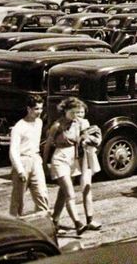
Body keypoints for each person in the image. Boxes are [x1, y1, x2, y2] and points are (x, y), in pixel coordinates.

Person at [43, 97, 101, 235]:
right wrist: (44, 164)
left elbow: (92, 137)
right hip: (60, 160)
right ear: (65, 111)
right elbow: (47, 145)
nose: (75, 116)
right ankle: (77, 223)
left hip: (72, 162)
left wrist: (91, 138)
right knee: (70, 193)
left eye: (78, 112)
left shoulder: (78, 124)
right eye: (73, 112)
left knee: (63, 194)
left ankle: (55, 220)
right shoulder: (57, 126)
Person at [9, 94, 49, 217]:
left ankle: (46, 223)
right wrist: (20, 170)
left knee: (42, 194)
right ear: (28, 109)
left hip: (35, 160)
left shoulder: (39, 122)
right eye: (36, 109)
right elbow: (13, 150)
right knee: (18, 199)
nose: (39, 112)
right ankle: (14, 225)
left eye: (41, 108)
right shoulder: (19, 127)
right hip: (22, 161)